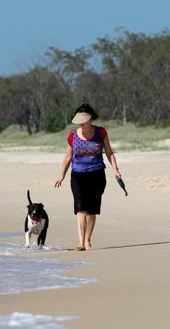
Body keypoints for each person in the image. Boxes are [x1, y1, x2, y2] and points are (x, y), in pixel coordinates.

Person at [54, 103, 121, 251]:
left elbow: (109, 152)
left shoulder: (101, 132)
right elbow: (67, 157)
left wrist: (115, 169)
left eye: (84, 121)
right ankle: (80, 241)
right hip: (77, 176)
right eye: (80, 122)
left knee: (91, 210)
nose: (82, 124)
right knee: (80, 209)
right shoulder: (72, 135)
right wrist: (61, 175)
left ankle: (87, 240)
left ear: (91, 118)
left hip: (97, 175)